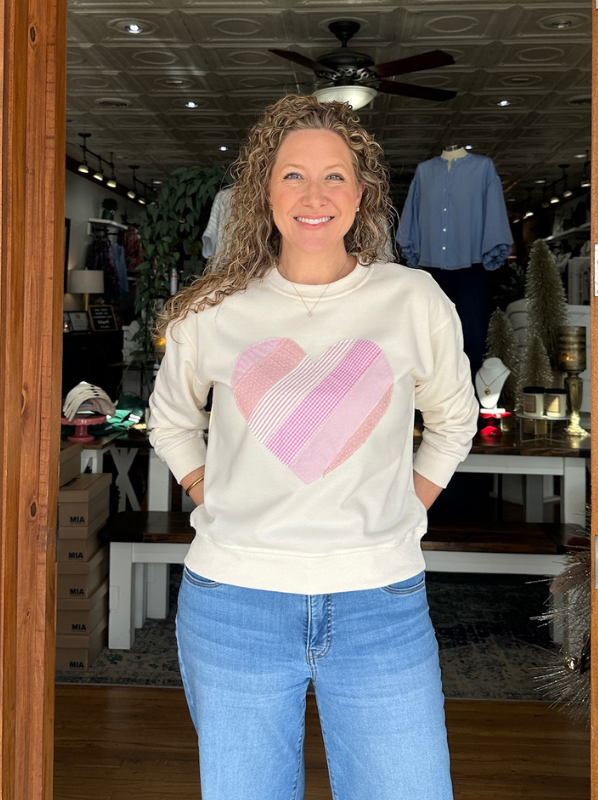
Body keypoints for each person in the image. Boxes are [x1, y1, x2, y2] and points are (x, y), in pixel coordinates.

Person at [148, 94, 479, 800]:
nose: (314, 195)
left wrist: (406, 503)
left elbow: (454, 420)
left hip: (379, 603)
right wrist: (211, 492)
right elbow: (170, 420)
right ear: (263, 189)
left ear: (363, 194)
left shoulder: (412, 298)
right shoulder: (212, 311)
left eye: (335, 176)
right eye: (293, 174)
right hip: (234, 602)